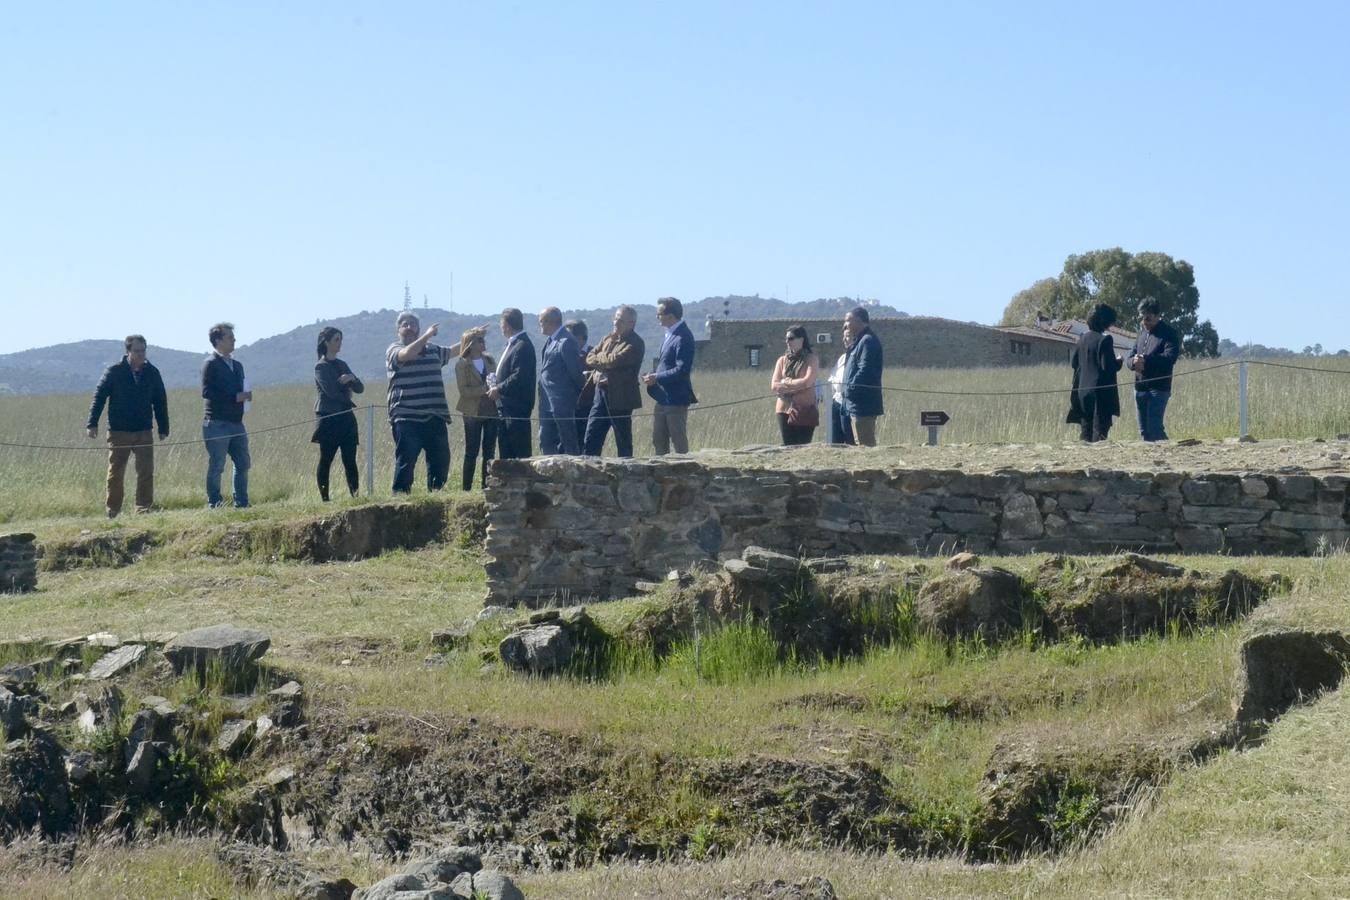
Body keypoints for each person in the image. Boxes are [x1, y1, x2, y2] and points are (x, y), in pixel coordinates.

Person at [85, 334, 169, 517]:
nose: (141, 354)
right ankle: (113, 511)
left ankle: (143, 509)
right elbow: (99, 397)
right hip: (119, 430)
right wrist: (92, 423)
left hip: (144, 430)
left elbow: (160, 400)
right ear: (128, 351)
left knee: (146, 472)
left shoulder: (152, 372)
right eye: (137, 351)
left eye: (143, 351)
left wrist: (163, 427)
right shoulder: (114, 371)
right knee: (116, 473)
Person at [385, 311, 453, 493]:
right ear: (398, 330)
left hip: (434, 415)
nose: (409, 328)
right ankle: (400, 500)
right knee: (406, 463)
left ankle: (436, 498)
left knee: (440, 462)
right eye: (405, 324)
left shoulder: (433, 349)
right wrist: (428, 335)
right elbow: (407, 354)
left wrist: (470, 337)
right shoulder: (394, 349)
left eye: (412, 324)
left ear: (418, 328)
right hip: (406, 417)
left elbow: (453, 351)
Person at [583, 305, 645, 458]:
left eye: (621, 320)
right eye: (615, 318)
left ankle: (626, 471)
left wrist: (601, 358)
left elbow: (614, 361)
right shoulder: (607, 338)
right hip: (600, 393)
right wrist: (603, 359)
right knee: (592, 435)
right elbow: (589, 357)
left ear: (631, 323)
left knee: (622, 438)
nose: (616, 323)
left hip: (620, 396)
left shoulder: (635, 343)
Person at [201, 322, 252, 508]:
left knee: (243, 463)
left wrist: (245, 395)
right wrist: (234, 397)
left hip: (237, 422)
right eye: (229, 337)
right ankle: (215, 503)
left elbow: (241, 388)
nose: (234, 340)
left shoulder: (238, 365)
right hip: (216, 423)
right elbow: (207, 392)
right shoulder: (210, 364)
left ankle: (242, 502)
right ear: (218, 340)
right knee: (217, 465)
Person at [640, 296, 697, 454]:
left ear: (670, 316)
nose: (657, 317)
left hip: (676, 398)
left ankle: (686, 475)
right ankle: (661, 476)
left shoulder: (683, 336)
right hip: (663, 397)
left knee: (678, 442)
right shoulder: (670, 334)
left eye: (659, 314)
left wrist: (656, 377)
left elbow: (682, 369)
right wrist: (653, 375)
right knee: (658, 439)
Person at [312, 327, 364, 500]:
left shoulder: (342, 364)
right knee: (326, 459)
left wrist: (352, 379)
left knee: (350, 459)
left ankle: (355, 496)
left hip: (346, 418)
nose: (339, 343)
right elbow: (330, 392)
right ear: (326, 342)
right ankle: (325, 499)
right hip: (329, 418)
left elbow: (360, 388)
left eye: (340, 339)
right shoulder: (321, 366)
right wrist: (346, 389)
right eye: (336, 339)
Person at [1067, 304, 1122, 442]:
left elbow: (1074, 363)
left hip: (1082, 392)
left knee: (1085, 432)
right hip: (1100, 394)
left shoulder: (1082, 339)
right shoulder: (1105, 340)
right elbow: (1108, 367)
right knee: (1099, 433)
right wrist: (1119, 361)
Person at [1128, 298, 1181, 442]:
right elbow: (1130, 357)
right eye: (1142, 318)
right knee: (1144, 431)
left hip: (1158, 389)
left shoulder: (1169, 333)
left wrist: (1146, 360)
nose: (1145, 322)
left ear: (1157, 315)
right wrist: (1133, 362)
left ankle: (1169, 456)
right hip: (1140, 388)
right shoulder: (1141, 334)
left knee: (1155, 429)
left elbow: (1170, 358)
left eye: (1148, 318)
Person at [536, 307, 585, 455]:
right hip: (547, 402)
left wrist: (573, 397)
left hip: (562, 402)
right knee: (546, 439)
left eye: (541, 322)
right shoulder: (550, 341)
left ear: (550, 322)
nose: (540, 325)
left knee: (568, 440)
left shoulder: (566, 342)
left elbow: (576, 373)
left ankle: (573, 474)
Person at [489, 308, 536, 460]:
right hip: (506, 408)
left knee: (518, 454)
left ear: (508, 325)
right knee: (506, 453)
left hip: (517, 409)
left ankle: (521, 483)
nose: (501, 327)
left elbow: (519, 376)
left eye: (501, 324)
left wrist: (499, 388)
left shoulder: (522, 346)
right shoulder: (512, 344)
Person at [454, 327, 498, 490]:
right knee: (471, 451)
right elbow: (464, 391)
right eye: (479, 340)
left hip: (492, 411)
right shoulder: (462, 364)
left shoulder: (490, 361)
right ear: (470, 344)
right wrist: (484, 389)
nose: (483, 343)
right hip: (473, 412)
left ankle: (486, 486)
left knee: (489, 452)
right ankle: (466, 488)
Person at [770, 326, 820, 446]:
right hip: (783, 410)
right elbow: (774, 384)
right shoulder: (782, 360)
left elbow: (807, 382)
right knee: (787, 446)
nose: (788, 342)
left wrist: (786, 382)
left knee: (802, 448)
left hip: (804, 410)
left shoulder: (811, 359)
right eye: (786, 339)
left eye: (791, 338)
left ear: (801, 339)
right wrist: (795, 385)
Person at [842, 307, 884, 446]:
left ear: (859, 320)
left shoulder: (867, 341)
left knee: (866, 446)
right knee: (860, 444)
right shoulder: (859, 341)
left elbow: (865, 370)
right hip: (856, 404)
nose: (845, 324)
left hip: (864, 404)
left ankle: (872, 469)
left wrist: (850, 389)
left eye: (848, 320)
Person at [566, 319, 593, 450]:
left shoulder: (594, 355)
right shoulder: (565, 354)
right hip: (568, 406)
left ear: (581, 337)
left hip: (587, 407)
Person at [826, 331, 855, 445]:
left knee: (850, 438)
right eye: (843, 336)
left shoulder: (857, 356)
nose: (844, 339)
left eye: (848, 336)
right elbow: (833, 376)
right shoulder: (842, 358)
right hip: (837, 401)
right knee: (835, 440)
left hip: (849, 402)